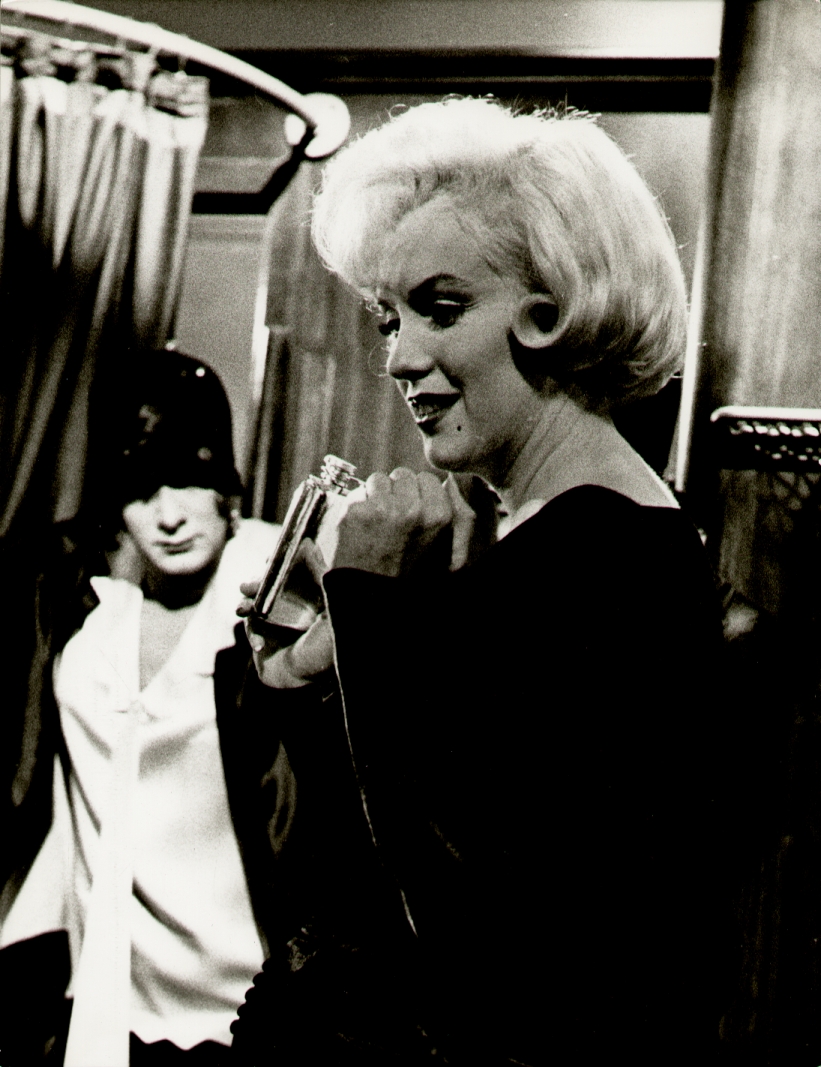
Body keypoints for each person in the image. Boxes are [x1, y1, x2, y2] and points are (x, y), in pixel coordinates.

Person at [234, 98, 733, 1066]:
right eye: (388, 318)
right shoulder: (544, 542)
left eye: (441, 307)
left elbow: (472, 934)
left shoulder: (607, 559)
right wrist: (312, 665)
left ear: (552, 312)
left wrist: (374, 606)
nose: (397, 357)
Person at [0, 351, 294, 1066]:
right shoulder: (84, 606)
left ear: (225, 481)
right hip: (105, 1004)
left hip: (246, 1009)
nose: (167, 516)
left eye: (188, 478)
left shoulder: (278, 586)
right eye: (141, 489)